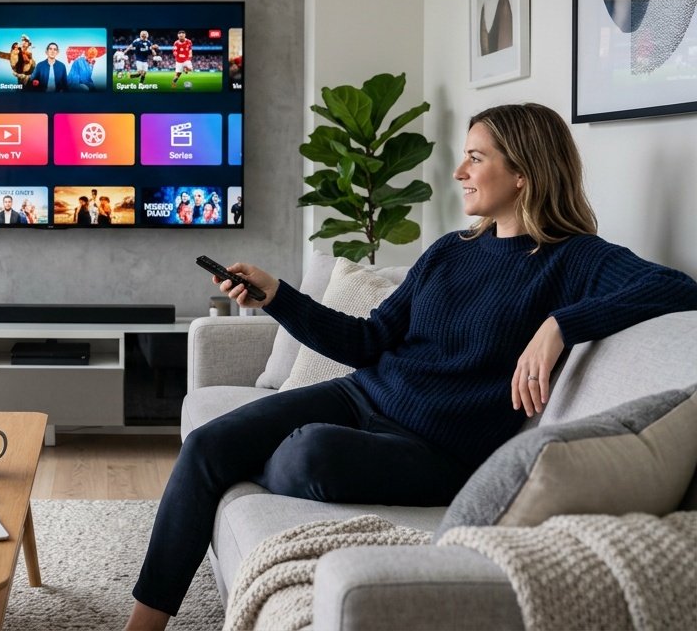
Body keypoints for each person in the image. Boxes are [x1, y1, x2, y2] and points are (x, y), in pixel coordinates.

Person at [124, 103, 697, 630]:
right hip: (361, 395)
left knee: (307, 452)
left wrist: (562, 325)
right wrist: (279, 296)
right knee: (207, 445)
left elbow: (677, 288)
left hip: (436, 451)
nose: (459, 172)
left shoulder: (576, 259)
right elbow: (367, 338)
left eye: (476, 157)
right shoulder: (450, 250)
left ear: (523, 171)